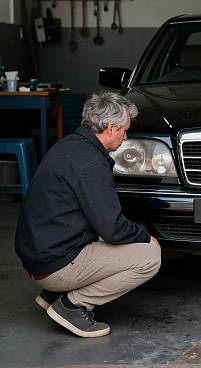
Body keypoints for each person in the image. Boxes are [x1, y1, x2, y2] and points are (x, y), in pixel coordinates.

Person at [15, 91, 161, 337]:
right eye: (125, 129)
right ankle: (72, 305)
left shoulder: (71, 144)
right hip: (53, 264)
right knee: (149, 258)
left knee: (115, 238)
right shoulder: (90, 163)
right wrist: (146, 238)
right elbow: (112, 227)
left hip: (40, 255)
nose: (126, 136)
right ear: (111, 128)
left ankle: (53, 295)